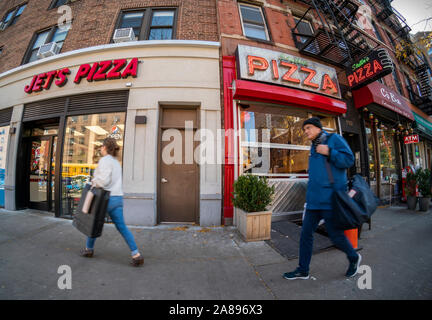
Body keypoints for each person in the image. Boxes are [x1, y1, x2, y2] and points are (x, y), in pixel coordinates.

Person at [283, 117, 361, 280]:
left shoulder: (334, 139)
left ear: (318, 128)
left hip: (330, 199)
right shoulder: (313, 147)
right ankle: (303, 270)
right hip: (313, 201)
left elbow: (349, 160)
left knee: (336, 236)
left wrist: (330, 152)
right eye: (304, 129)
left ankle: (353, 258)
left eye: (308, 128)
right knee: (305, 234)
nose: (306, 131)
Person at [80, 137, 144, 267]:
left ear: (104, 147)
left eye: (101, 147)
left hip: (104, 199)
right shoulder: (116, 162)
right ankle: (136, 254)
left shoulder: (105, 161)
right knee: (122, 228)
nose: (100, 149)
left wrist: (94, 182)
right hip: (117, 198)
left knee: (93, 224)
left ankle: (89, 249)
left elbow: (104, 181)